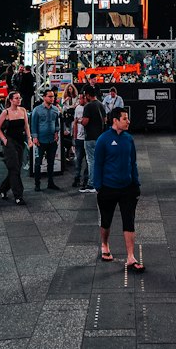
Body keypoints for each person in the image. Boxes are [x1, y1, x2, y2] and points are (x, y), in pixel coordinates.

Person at [94, 107, 143, 271]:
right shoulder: (103, 139)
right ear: (115, 121)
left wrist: (136, 183)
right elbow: (98, 164)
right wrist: (98, 186)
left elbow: (133, 163)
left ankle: (130, 256)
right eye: (124, 118)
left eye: (127, 118)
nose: (128, 121)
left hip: (127, 188)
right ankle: (105, 245)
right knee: (106, 221)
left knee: (129, 221)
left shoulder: (129, 139)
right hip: (108, 187)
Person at [0, 91, 32, 204]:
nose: (18, 100)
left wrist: (29, 138)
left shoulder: (23, 110)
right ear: (11, 100)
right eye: (16, 98)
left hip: (20, 142)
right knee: (14, 168)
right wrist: (4, 140)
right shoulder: (5, 112)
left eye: (19, 98)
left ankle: (3, 188)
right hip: (10, 142)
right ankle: (18, 195)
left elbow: (26, 126)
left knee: (16, 168)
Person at [30, 88, 61, 190]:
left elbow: (56, 123)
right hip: (40, 141)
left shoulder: (55, 109)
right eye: (50, 96)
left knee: (51, 162)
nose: (52, 98)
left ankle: (50, 183)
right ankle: (37, 184)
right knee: (38, 163)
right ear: (44, 97)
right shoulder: (37, 110)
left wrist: (56, 132)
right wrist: (34, 137)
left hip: (52, 140)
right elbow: (33, 124)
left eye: (53, 96)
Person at [81, 85, 107, 192]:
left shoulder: (88, 106)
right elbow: (105, 120)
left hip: (90, 137)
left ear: (87, 95)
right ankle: (99, 182)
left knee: (91, 161)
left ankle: (91, 184)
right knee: (99, 160)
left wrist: (80, 121)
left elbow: (85, 121)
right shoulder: (101, 104)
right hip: (100, 137)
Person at [71, 90, 89, 188]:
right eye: (79, 98)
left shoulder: (89, 107)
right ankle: (77, 178)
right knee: (78, 160)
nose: (80, 100)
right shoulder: (78, 108)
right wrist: (74, 136)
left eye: (82, 98)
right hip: (79, 138)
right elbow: (75, 123)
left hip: (87, 138)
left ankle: (85, 180)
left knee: (87, 161)